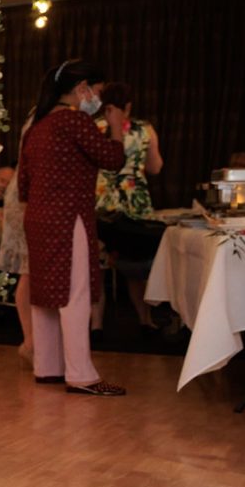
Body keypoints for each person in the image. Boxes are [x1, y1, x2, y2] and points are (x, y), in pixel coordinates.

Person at [18, 59, 128, 397]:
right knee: (75, 294)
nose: (96, 98)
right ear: (81, 89)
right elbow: (112, 159)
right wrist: (115, 126)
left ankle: (48, 367)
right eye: (95, 91)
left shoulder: (37, 126)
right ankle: (81, 375)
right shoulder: (74, 120)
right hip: (69, 218)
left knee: (46, 295)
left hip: (38, 217)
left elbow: (23, 182)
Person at [94, 83, 166, 330]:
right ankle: (145, 320)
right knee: (137, 263)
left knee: (98, 265)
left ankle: (96, 325)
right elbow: (155, 167)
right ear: (128, 106)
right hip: (135, 200)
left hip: (101, 200)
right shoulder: (144, 130)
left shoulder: (94, 128)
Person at [0, 118, 36, 364]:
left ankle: (33, 341)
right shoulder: (40, 118)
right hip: (27, 193)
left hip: (29, 189)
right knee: (29, 268)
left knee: (30, 270)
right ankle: (31, 341)